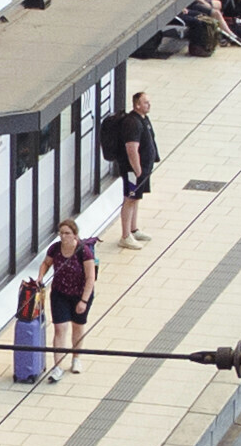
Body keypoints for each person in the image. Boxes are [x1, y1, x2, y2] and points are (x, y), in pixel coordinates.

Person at [103, 89, 159, 245]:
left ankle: (134, 229)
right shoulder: (132, 123)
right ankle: (125, 236)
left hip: (142, 169)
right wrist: (137, 169)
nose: (149, 105)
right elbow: (131, 148)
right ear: (137, 105)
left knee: (136, 198)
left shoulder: (143, 119)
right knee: (130, 198)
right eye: (146, 102)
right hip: (133, 170)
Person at [44, 228, 99, 378]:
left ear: (75, 234)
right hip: (60, 293)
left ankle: (76, 358)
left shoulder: (84, 251)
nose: (63, 236)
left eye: (67, 233)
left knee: (77, 327)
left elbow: (90, 278)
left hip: (80, 295)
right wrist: (40, 277)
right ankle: (57, 366)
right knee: (59, 329)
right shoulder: (55, 248)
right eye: (61, 233)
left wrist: (83, 301)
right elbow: (46, 263)